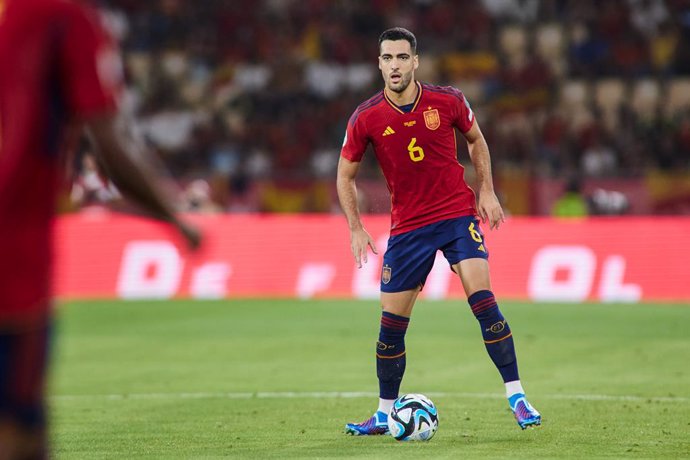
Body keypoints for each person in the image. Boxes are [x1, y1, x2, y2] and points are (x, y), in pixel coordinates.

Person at [0, 0, 201, 457]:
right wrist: (174, 218)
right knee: (19, 434)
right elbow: (108, 140)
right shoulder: (65, 19)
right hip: (12, 264)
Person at [337, 27, 541, 435]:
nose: (394, 65)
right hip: (408, 230)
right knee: (390, 329)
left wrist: (486, 190)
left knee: (483, 301)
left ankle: (517, 396)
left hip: (455, 217)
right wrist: (356, 228)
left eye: (401, 57)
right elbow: (345, 175)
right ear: (378, 64)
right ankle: (383, 413)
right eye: (387, 58)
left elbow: (477, 140)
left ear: (415, 61)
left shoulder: (447, 100)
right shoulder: (367, 117)